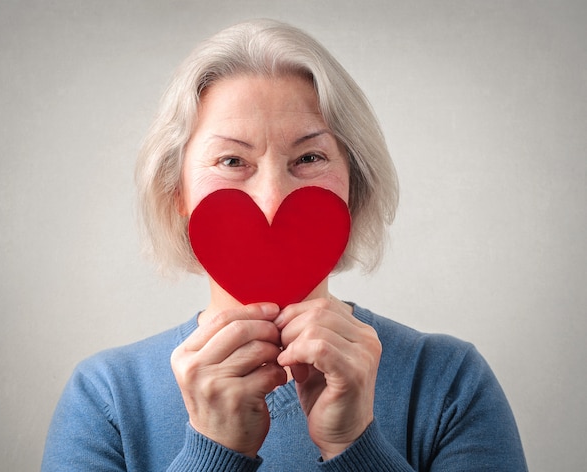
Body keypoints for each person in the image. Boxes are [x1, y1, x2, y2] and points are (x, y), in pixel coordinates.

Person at [41, 19, 528, 471]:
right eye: (232, 161)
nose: (273, 198)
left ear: (354, 186)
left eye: (310, 157)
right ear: (178, 195)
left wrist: (355, 445)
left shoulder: (447, 382)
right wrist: (214, 450)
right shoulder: (105, 398)